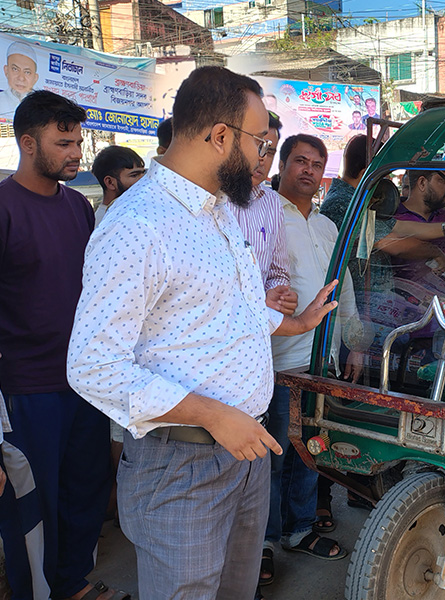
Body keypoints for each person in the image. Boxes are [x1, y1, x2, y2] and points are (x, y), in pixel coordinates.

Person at [66, 66, 338, 600]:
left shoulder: (217, 212)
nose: (266, 156)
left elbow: (226, 311)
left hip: (243, 452)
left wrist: (296, 322)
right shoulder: (138, 225)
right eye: (260, 141)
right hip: (183, 464)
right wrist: (214, 415)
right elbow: (93, 365)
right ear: (219, 136)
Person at [0, 91, 128, 600]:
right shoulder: (3, 207)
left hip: (84, 384)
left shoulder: (79, 207)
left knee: (84, 495)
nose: (77, 152)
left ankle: (73, 584)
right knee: (34, 507)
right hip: (26, 391)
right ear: (28, 143)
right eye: (63, 142)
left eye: (78, 140)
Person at [259, 133, 367, 587]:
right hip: (277, 358)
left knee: (309, 448)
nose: (308, 170)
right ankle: (263, 542)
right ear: (282, 165)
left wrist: (356, 340)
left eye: (317, 163)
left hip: (321, 360)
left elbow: (342, 288)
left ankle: (300, 529)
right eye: (300, 160)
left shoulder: (326, 225)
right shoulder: (262, 215)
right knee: (272, 456)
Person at [233, 109, 295, 302]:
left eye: (269, 152)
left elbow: (279, 273)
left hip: (256, 328)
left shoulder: (271, 202)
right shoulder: (210, 198)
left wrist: (275, 294)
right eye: (258, 146)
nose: (262, 158)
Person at [90, 145, 146, 226]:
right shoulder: (104, 223)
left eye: (143, 174)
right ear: (110, 182)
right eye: (134, 175)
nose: (143, 180)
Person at [0, 42, 39, 120]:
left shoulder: (41, 106)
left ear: (35, 78)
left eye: (27, 72)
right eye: (15, 69)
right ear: (6, 71)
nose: (21, 78)